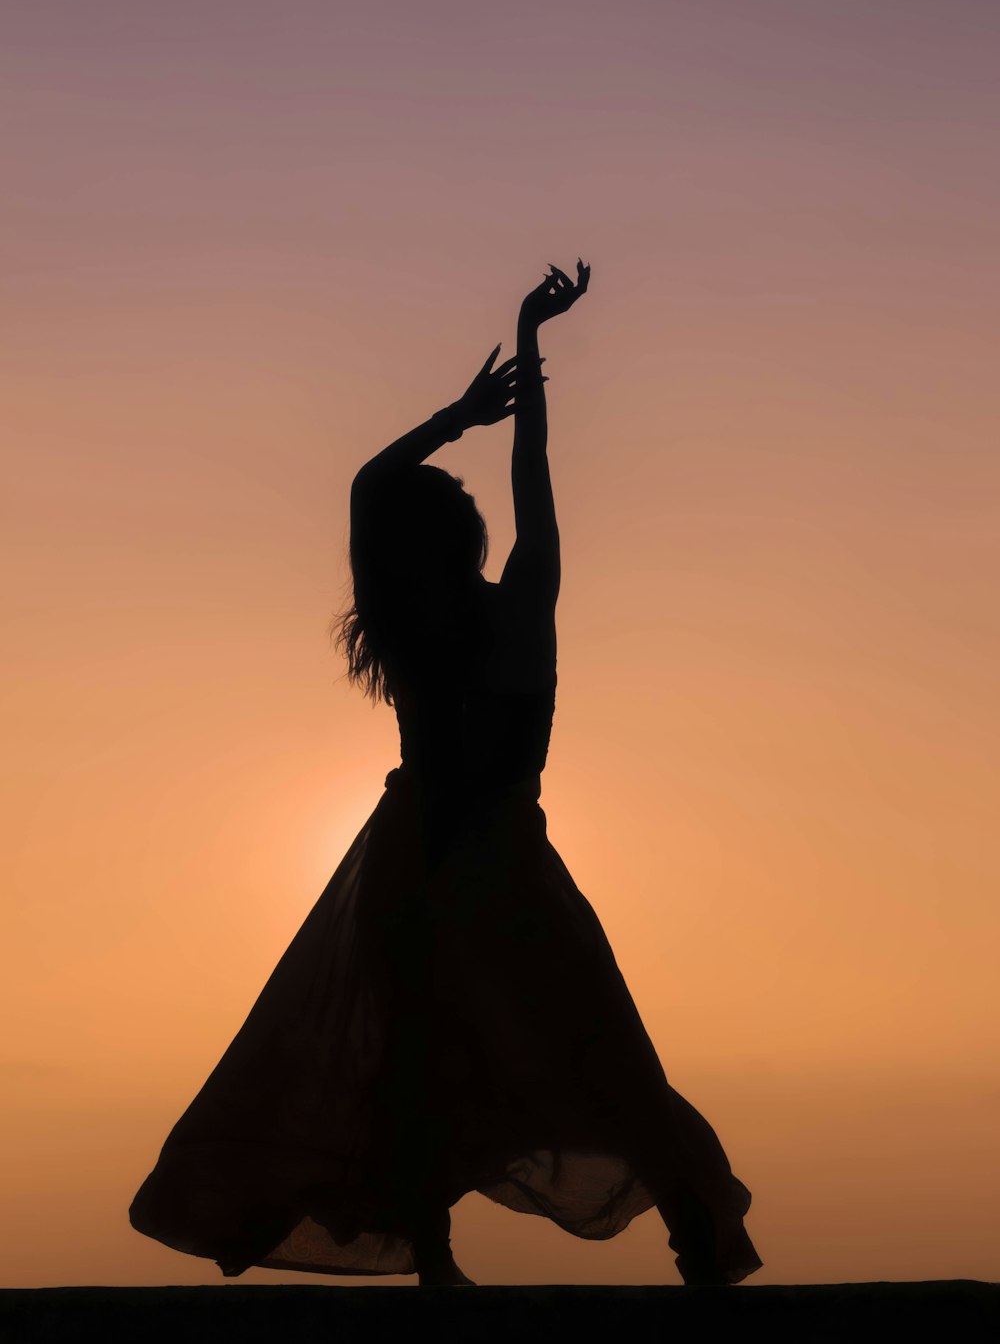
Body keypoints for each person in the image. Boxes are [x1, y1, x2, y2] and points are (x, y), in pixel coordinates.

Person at [129, 260, 763, 1287]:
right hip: (498, 858)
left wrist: (458, 413)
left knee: (416, 1063)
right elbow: (531, 484)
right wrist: (528, 349)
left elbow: (371, 485)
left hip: (422, 852)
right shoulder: (521, 604)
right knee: (595, 1049)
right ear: (460, 535)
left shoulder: (408, 627)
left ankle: (436, 1257)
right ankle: (696, 1236)